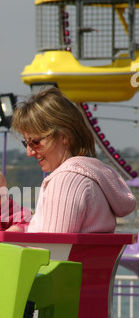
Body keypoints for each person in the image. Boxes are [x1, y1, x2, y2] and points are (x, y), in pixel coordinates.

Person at [9, 86, 136, 233]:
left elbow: (52, 250)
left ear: (64, 136)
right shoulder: (95, 177)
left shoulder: (66, 180)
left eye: (35, 142)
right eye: (26, 143)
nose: (29, 152)